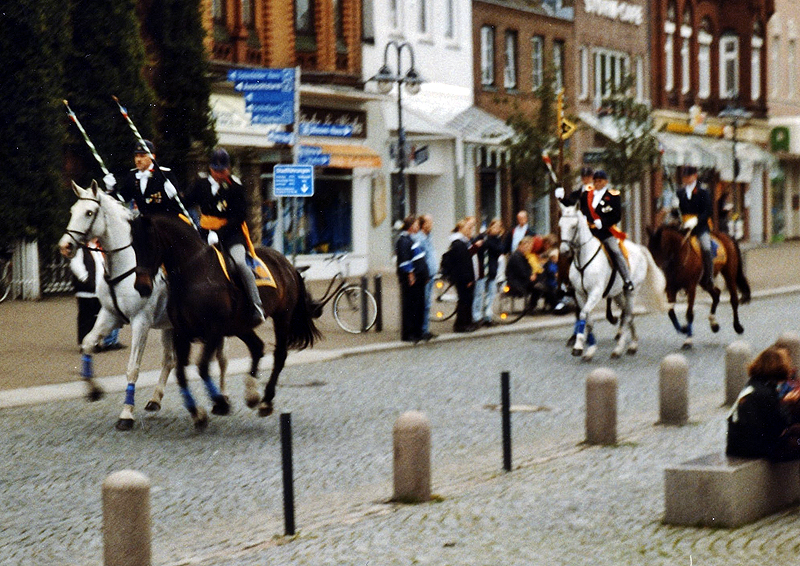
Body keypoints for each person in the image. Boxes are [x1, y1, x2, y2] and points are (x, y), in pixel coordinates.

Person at [184, 148, 265, 325]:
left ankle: (256, 305)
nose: (220, 174)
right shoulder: (200, 184)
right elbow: (186, 201)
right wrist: (173, 195)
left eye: (223, 170)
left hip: (231, 235)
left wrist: (219, 234)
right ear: (211, 169)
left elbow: (239, 217)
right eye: (216, 170)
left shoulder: (235, 187)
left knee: (240, 264)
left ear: (228, 169)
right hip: (204, 233)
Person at [727, 346, 800, 461]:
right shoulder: (767, 393)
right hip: (755, 450)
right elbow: (780, 426)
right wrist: (787, 404)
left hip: (736, 446)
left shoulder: (753, 385)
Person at [579, 170, 633, 293]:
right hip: (589, 232)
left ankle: (627, 280)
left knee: (615, 251)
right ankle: (568, 282)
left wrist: (602, 223)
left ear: (606, 182)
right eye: (595, 181)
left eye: (600, 181)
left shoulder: (613, 196)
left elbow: (616, 216)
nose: (597, 183)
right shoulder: (587, 194)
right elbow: (582, 209)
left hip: (605, 232)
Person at [70, 241, 123, 351]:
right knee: (85, 317)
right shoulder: (81, 249)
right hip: (86, 290)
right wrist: (85, 278)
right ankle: (83, 344)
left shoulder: (95, 249)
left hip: (98, 290)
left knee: (96, 317)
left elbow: (101, 265)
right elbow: (75, 264)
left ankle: (94, 342)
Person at [109, 140, 184, 216]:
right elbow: (122, 199)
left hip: (164, 222)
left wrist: (174, 196)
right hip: (144, 222)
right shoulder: (132, 176)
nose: (138, 160)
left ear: (152, 157)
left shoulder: (163, 174)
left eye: (142, 156)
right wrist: (111, 189)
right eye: (136, 156)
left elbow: (179, 203)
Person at [676, 165, 714, 288]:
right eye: (684, 177)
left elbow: (707, 211)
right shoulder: (679, 193)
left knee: (706, 246)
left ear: (695, 176)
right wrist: (673, 208)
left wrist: (696, 220)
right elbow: (678, 212)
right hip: (684, 227)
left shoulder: (703, 192)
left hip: (700, 226)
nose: (686, 179)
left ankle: (709, 277)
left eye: (689, 176)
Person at [395, 215, 429, 342]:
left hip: (419, 279)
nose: (418, 227)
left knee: (418, 305)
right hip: (411, 279)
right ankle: (409, 334)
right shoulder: (403, 240)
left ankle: (417, 331)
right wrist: (410, 274)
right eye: (416, 224)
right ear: (410, 226)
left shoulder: (411, 239)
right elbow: (404, 260)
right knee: (410, 306)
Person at [448, 217, 478, 332]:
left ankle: (466, 322)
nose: (470, 230)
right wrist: (468, 279)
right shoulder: (459, 244)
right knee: (464, 300)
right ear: (461, 229)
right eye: (468, 228)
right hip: (463, 278)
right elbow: (463, 264)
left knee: (467, 300)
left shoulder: (463, 243)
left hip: (465, 277)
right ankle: (461, 324)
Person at [473, 218, 505, 326]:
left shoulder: (497, 240)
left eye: (498, 227)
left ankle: (488, 316)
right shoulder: (481, 236)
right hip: (482, 270)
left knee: (490, 294)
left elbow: (500, 250)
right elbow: (474, 246)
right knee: (479, 294)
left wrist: (488, 243)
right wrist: (480, 243)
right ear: (490, 227)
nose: (496, 229)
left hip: (491, 271)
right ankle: (477, 316)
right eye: (494, 226)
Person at [414, 214, 438, 340]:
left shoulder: (429, 237)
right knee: (424, 303)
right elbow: (420, 258)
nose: (431, 225)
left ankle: (425, 328)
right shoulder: (420, 238)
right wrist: (424, 274)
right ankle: (422, 330)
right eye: (429, 222)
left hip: (431, 274)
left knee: (427, 303)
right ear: (423, 224)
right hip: (425, 276)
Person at [505, 236, 541, 308]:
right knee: (539, 287)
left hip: (522, 281)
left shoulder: (523, 256)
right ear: (521, 245)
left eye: (530, 246)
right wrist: (530, 276)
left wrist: (533, 274)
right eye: (527, 245)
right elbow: (521, 271)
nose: (529, 248)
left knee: (542, 283)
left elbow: (528, 268)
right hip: (516, 283)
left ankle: (533, 305)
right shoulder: (516, 256)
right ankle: (531, 306)